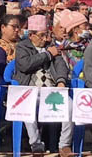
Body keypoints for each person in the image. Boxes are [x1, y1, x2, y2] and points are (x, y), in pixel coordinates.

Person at [14, 15, 72, 156]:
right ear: (32, 35)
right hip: (30, 89)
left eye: (46, 35)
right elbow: (25, 65)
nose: (45, 38)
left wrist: (61, 81)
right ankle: (36, 144)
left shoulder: (51, 46)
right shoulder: (22, 47)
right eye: (41, 35)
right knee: (28, 107)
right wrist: (47, 55)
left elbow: (61, 66)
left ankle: (64, 145)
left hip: (51, 89)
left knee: (70, 106)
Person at [0, 14, 21, 79]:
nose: (17, 30)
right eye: (13, 27)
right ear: (3, 27)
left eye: (18, 27)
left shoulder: (21, 45)